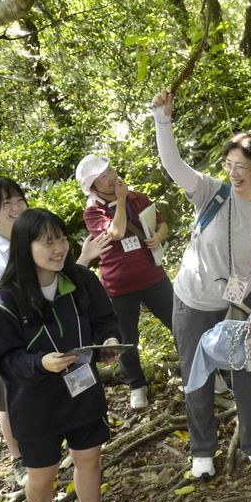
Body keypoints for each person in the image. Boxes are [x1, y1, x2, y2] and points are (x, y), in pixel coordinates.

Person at [151, 89, 251, 478]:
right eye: (230, 164)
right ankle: (202, 450)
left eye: (243, 165)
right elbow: (174, 166)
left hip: (236, 307)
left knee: (247, 373)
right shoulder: (211, 192)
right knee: (197, 374)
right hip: (191, 301)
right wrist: (163, 119)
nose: (234, 172)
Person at [0, 209, 128, 502]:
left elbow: (105, 320)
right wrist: (41, 363)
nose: (59, 248)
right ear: (24, 246)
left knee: (89, 458)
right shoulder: (4, 301)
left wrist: (109, 342)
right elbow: (6, 360)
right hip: (35, 401)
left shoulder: (80, 279)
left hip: (83, 389)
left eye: (62, 238)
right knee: (42, 472)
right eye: (47, 242)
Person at [0, 178, 111, 486]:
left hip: (56, 322)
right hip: (10, 326)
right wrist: (8, 299)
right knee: (12, 399)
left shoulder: (41, 230)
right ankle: (22, 459)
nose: (16, 208)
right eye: (7, 204)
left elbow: (66, 275)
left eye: (19, 200)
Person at [75, 154, 175, 409]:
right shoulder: (93, 212)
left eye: (110, 170)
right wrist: (121, 200)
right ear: (93, 187)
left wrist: (158, 236)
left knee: (180, 323)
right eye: (102, 177)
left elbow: (162, 223)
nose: (111, 178)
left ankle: (202, 371)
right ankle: (136, 385)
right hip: (119, 287)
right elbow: (117, 233)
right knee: (125, 339)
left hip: (153, 276)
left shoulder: (138, 197)